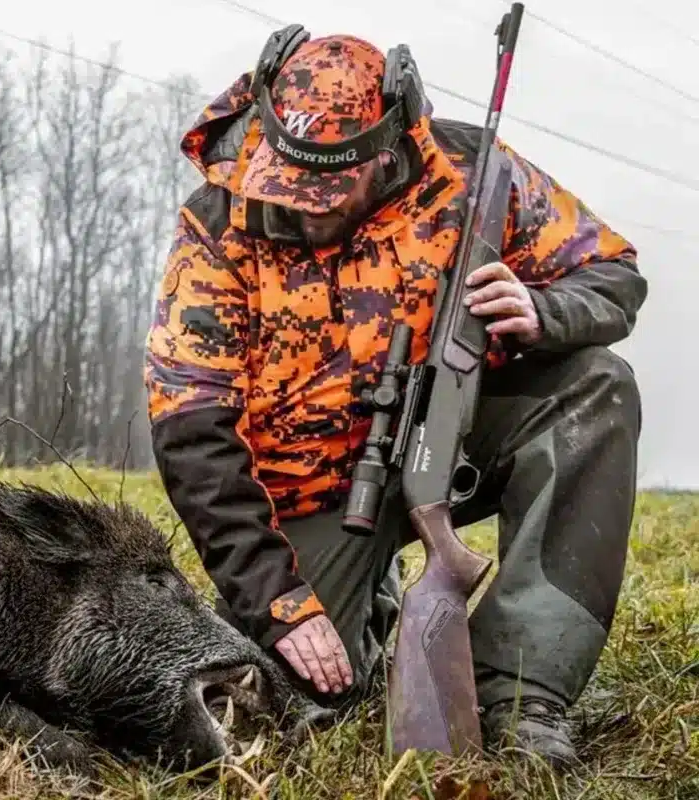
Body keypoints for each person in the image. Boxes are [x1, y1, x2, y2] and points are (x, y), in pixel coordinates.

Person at [143, 27, 648, 769]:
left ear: (387, 148)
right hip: (306, 501)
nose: (310, 208)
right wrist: (278, 601)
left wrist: (545, 312)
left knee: (597, 387)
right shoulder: (218, 222)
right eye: (293, 181)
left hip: (450, 438)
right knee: (285, 704)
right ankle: (368, 608)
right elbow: (191, 431)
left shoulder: (473, 172)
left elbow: (615, 273)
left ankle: (521, 694)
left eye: (332, 186)